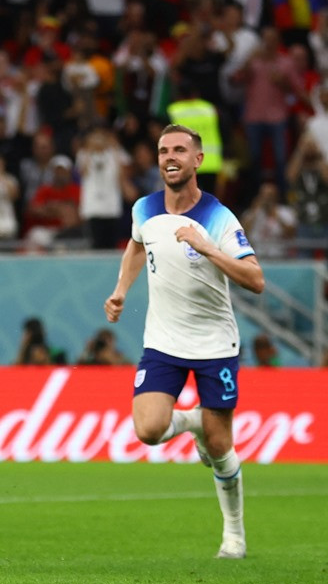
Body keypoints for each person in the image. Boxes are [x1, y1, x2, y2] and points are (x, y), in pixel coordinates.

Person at [104, 124, 265, 560]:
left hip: (215, 345)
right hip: (163, 341)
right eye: (162, 151)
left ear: (198, 160)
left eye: (179, 150)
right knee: (148, 429)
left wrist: (208, 247)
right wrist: (121, 289)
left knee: (220, 446)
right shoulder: (144, 208)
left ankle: (234, 536)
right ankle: (192, 422)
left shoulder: (218, 217)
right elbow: (137, 246)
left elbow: (256, 279)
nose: (169, 157)